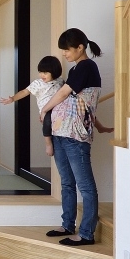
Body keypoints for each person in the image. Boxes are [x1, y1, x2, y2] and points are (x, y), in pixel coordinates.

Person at [43, 28, 103, 247]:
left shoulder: (87, 66)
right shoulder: (77, 68)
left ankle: (86, 233)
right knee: (67, 183)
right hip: (62, 132)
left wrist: (44, 109)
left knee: (85, 186)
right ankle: (67, 224)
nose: (64, 54)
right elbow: (81, 104)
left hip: (75, 135)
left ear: (80, 47)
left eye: (67, 50)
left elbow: (65, 94)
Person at [0, 56, 64, 157]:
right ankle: (48, 143)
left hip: (60, 110)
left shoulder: (60, 81)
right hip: (47, 111)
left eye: (45, 72)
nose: (42, 75)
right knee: (47, 122)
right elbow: (25, 92)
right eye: (40, 72)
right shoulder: (38, 83)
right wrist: (13, 98)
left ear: (54, 71)